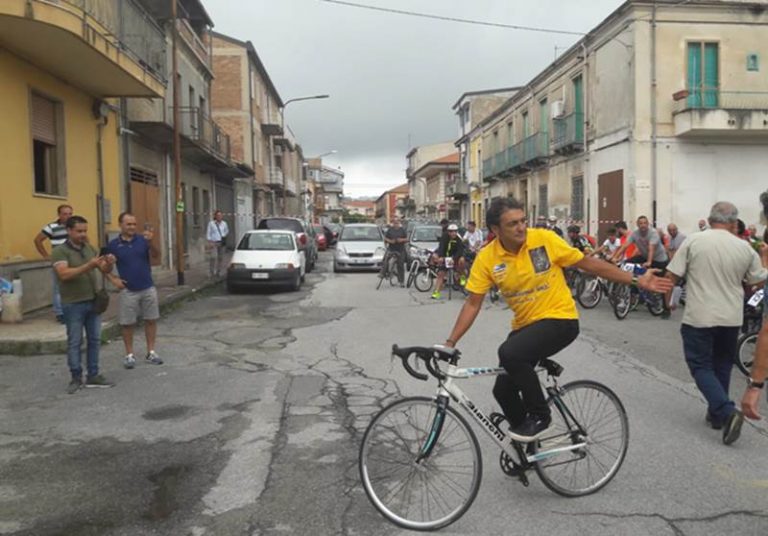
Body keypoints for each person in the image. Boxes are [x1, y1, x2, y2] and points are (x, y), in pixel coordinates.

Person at [442, 197, 672, 439]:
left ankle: (541, 416)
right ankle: (527, 449)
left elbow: (588, 264)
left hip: (560, 319)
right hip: (526, 326)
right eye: (512, 224)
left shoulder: (544, 239)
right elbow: (472, 303)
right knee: (503, 391)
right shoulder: (488, 258)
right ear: (495, 230)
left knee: (510, 353)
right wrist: (449, 343)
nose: (521, 227)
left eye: (523, 221)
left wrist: (635, 279)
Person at [666, 202, 768, 445]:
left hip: (699, 315)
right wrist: (763, 257)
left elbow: (673, 275)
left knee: (700, 365)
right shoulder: (743, 247)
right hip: (731, 317)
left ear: (710, 219)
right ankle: (716, 416)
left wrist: (670, 299)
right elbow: (757, 279)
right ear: (734, 223)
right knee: (722, 363)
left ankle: (725, 410)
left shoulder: (694, 241)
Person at [51, 216, 116, 394]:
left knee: (94, 339)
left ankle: (93, 374)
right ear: (69, 231)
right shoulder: (60, 251)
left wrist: (109, 264)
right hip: (73, 303)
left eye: (85, 231)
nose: (83, 234)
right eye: (79, 231)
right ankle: (76, 377)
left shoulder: (88, 248)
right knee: (75, 341)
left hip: (92, 300)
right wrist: (89, 265)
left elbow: (103, 269)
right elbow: (63, 274)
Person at [107, 213, 164, 369]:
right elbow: (103, 265)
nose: (132, 227)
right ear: (120, 225)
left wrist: (151, 242)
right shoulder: (113, 245)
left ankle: (151, 351)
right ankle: (129, 354)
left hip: (147, 286)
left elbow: (156, 255)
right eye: (128, 224)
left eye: (134, 224)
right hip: (128, 290)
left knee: (151, 320)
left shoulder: (143, 240)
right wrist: (113, 279)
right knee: (127, 323)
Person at [34, 205, 74, 323]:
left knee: (73, 286)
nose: (68, 216)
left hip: (74, 260)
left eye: (70, 213)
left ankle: (71, 311)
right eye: (65, 214)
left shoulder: (74, 226)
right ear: (59, 215)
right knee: (58, 288)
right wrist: (46, 256)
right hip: (59, 260)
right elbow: (37, 240)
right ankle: (60, 313)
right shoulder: (51, 227)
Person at [431, 224, 468, 300]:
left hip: (455, 257)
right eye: (451, 231)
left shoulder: (459, 239)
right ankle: (436, 292)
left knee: (462, 261)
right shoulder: (444, 237)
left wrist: (454, 259)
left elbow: (460, 251)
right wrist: (441, 256)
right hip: (445, 257)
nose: (453, 233)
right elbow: (441, 247)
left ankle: (462, 276)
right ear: (448, 232)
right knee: (441, 274)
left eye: (455, 231)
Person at [383, 218, 408, 286]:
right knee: (385, 261)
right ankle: (384, 274)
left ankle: (401, 281)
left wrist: (401, 240)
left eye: (397, 223)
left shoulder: (402, 230)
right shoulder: (390, 230)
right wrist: (390, 241)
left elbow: (407, 239)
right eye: (394, 223)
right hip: (391, 249)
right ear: (393, 223)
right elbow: (385, 238)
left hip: (400, 250)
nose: (396, 224)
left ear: (399, 223)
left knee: (400, 265)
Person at [207, 210, 229, 277]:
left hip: (221, 242)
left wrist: (223, 235)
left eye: (220, 215)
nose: (219, 217)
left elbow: (227, 231)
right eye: (218, 215)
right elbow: (208, 232)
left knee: (220, 257)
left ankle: (218, 271)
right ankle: (211, 272)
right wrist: (210, 241)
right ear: (215, 216)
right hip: (214, 242)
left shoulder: (224, 223)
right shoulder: (211, 223)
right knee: (213, 257)